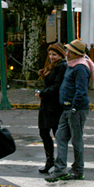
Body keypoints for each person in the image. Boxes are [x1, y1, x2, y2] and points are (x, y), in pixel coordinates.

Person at [45, 39, 94, 182]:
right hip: (67, 108)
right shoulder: (71, 65)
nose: (66, 53)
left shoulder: (80, 68)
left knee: (76, 140)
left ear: (75, 54)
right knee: (61, 137)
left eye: (69, 51)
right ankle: (60, 169)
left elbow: (81, 91)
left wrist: (74, 106)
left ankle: (78, 169)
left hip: (75, 110)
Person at [36, 42, 67, 173]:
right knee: (43, 132)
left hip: (54, 106)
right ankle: (50, 160)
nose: (51, 57)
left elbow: (57, 86)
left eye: (54, 54)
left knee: (57, 134)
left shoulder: (61, 67)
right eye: (50, 54)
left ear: (60, 55)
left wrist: (42, 93)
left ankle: (59, 163)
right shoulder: (50, 66)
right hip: (45, 105)